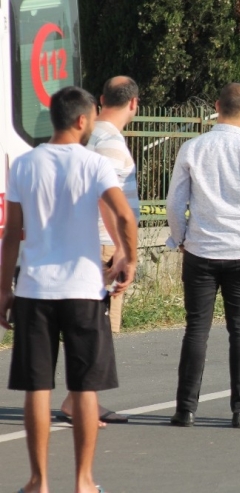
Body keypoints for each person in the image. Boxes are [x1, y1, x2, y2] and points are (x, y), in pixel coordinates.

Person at [0, 86, 137, 493]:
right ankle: (84, 481)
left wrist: (4, 288)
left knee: (37, 389)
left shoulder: (24, 165)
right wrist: (127, 258)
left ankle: (38, 481)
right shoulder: (94, 164)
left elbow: (11, 235)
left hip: (34, 290)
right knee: (84, 388)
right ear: (81, 120)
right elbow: (125, 216)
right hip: (83, 290)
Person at [166, 82, 240, 428]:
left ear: (216, 106)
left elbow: (175, 203)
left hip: (201, 251)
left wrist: (180, 238)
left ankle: (185, 408)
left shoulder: (192, 148)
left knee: (196, 329)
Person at [58, 75, 140, 428]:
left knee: (90, 323)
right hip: (105, 240)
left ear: (102, 99)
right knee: (98, 323)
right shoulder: (111, 146)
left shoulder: (87, 137)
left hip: (81, 237)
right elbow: (106, 201)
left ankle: (77, 398)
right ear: (134, 104)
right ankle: (80, 401)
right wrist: (123, 249)